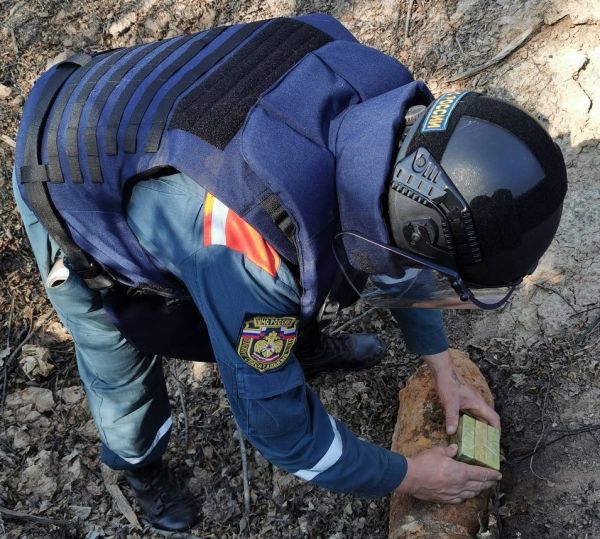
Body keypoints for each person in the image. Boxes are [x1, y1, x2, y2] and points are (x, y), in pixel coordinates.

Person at [12, 13, 567, 531]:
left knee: (287, 291)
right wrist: (407, 475)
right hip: (66, 172)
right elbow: (280, 432)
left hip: (165, 126)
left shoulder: (389, 122)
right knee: (121, 364)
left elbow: (400, 246)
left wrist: (441, 366)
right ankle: (138, 462)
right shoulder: (253, 247)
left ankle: (296, 346)